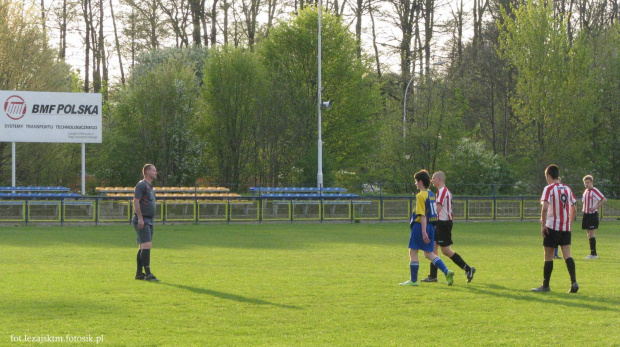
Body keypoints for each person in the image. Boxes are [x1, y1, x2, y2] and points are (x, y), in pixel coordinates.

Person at [400, 170, 454, 286]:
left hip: (420, 227)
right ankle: (446, 271)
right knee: (429, 254)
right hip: (431, 226)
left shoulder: (420, 196)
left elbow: (423, 215)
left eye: (416, 181)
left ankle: (413, 280)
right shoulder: (430, 194)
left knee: (413, 252)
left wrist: (423, 232)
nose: (415, 183)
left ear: (420, 182)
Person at [421, 171, 475, 283]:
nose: (432, 180)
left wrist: (425, 214)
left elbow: (438, 210)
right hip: (441, 223)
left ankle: (468, 269)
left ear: (439, 179)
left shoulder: (442, 191)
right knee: (433, 249)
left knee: (446, 251)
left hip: (443, 223)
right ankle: (433, 276)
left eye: (433, 178)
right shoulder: (444, 191)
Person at [532, 164, 578, 293]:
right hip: (565, 227)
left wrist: (543, 225)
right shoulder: (567, 189)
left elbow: (545, 207)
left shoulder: (549, 188)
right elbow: (574, 208)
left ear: (548, 176)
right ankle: (574, 282)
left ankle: (545, 285)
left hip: (552, 227)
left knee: (548, 256)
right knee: (567, 255)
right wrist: (569, 223)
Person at [133, 164, 160, 281]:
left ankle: (139, 274)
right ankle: (148, 274)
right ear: (147, 172)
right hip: (143, 219)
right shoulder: (142, 185)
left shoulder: (150, 186)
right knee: (147, 246)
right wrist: (140, 218)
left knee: (142, 247)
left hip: (148, 219)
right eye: (154, 170)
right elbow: (136, 201)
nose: (156, 172)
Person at [581, 175, 607, 259]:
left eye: (588, 182)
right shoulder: (585, 191)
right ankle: (592, 253)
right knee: (588, 233)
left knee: (591, 234)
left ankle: (594, 254)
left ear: (592, 182)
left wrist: (596, 207)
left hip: (592, 215)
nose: (586, 184)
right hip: (586, 214)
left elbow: (604, 199)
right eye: (585, 183)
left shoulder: (594, 190)